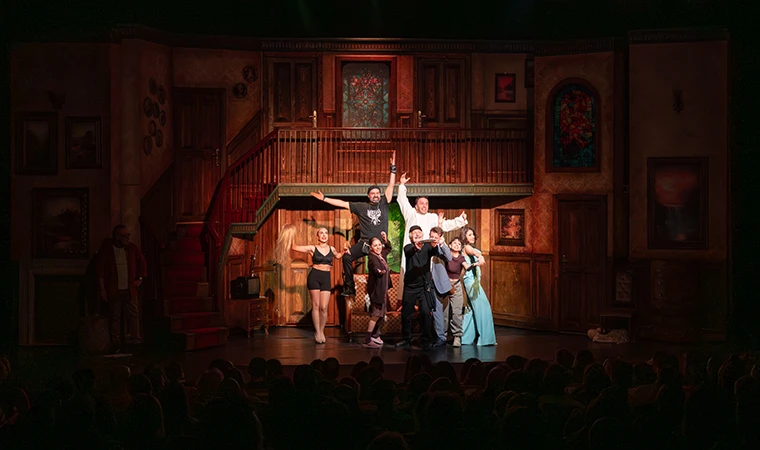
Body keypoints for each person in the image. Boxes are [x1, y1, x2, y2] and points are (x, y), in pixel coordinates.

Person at [310, 151, 397, 296]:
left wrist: (393, 168)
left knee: (379, 270)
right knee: (347, 257)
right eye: (373, 193)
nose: (375, 195)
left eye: (377, 193)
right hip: (364, 244)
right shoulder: (361, 207)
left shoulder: (384, 203)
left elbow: (391, 185)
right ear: (368, 196)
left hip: (379, 246)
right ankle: (350, 288)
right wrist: (325, 198)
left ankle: (382, 291)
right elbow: (343, 203)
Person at [395, 172, 467, 301]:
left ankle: (425, 302)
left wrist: (460, 220)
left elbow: (445, 225)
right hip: (412, 254)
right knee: (409, 278)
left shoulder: (432, 217)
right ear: (416, 205)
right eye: (421, 203)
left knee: (426, 280)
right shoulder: (411, 214)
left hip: (427, 253)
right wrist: (401, 185)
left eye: (426, 204)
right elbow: (402, 201)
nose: (424, 206)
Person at [274, 224, 347, 344]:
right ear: (317, 236)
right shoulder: (312, 248)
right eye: (321, 233)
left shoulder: (332, 249)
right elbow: (294, 247)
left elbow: (338, 256)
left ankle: (321, 331)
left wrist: (344, 251)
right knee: (316, 306)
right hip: (314, 277)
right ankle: (317, 332)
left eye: (325, 233)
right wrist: (291, 233)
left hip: (326, 278)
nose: (324, 235)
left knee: (324, 307)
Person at [95, 224, 148, 354]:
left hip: (129, 289)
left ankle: (135, 342)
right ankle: (116, 343)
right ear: (117, 237)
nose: (127, 238)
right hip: (114, 289)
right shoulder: (107, 249)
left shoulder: (132, 249)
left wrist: (140, 278)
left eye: (128, 235)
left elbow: (142, 263)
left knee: (134, 315)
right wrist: (102, 290)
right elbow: (100, 270)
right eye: (125, 236)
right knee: (115, 317)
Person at [395, 225, 446, 350]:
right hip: (410, 287)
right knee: (406, 314)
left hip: (424, 286)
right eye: (414, 233)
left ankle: (426, 340)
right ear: (411, 237)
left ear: (423, 235)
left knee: (425, 313)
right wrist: (416, 247)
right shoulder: (408, 247)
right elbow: (409, 252)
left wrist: (436, 245)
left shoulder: (427, 247)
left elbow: (436, 253)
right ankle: (406, 339)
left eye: (419, 232)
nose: (417, 234)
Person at [459, 227, 496, 346]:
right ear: (464, 237)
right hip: (471, 283)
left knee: (471, 310)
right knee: (483, 307)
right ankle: (486, 339)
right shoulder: (466, 247)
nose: (473, 236)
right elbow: (474, 252)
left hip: (473, 282)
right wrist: (480, 256)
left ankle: (465, 338)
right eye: (470, 235)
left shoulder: (469, 247)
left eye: (473, 234)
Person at [364, 232, 393, 349]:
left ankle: (375, 335)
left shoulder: (382, 255)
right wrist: (379, 271)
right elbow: (374, 267)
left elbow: (389, 248)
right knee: (376, 314)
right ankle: (367, 339)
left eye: (379, 245)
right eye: (375, 245)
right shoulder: (372, 257)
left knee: (381, 314)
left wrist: (385, 239)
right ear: (371, 247)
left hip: (382, 290)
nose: (378, 247)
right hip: (376, 291)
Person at [427, 227, 452, 348]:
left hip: (438, 284)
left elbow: (449, 257)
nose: (433, 239)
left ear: (440, 238)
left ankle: (441, 337)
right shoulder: (425, 247)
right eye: (432, 237)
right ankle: (427, 336)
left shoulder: (440, 248)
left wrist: (442, 244)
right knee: (425, 310)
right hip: (426, 283)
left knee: (438, 311)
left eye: (436, 238)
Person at [444, 237, 467, 347]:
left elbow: (466, 266)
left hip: (456, 285)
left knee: (456, 312)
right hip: (444, 285)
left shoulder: (461, 258)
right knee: (444, 312)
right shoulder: (446, 256)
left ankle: (457, 336)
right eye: (454, 243)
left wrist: (472, 266)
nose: (457, 245)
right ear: (450, 245)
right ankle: (442, 335)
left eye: (459, 244)